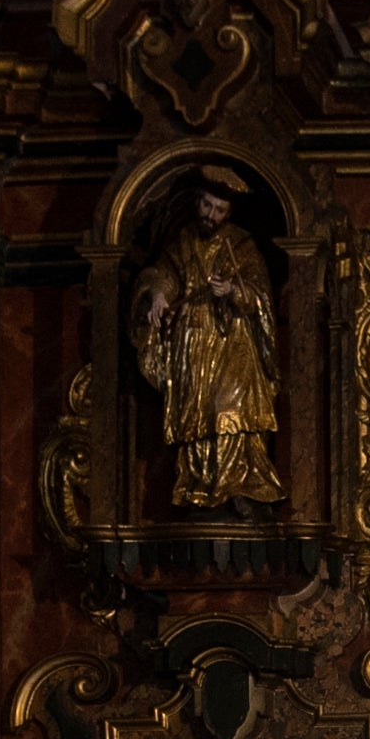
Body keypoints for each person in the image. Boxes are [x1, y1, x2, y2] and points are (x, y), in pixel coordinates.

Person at [133, 169, 284, 508]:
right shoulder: (182, 242)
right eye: (206, 205)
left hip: (233, 341)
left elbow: (259, 292)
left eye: (219, 210)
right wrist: (158, 294)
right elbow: (164, 274)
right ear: (196, 201)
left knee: (231, 409)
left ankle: (238, 484)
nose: (210, 215)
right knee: (196, 413)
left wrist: (232, 290)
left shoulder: (241, 244)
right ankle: (197, 484)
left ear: (229, 213)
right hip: (193, 339)